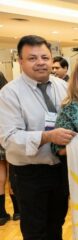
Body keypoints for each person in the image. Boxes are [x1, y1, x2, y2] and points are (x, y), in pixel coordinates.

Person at [0, 35, 75, 239]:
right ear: (20, 62)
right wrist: (47, 136)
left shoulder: (62, 86)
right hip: (29, 173)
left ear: (52, 59)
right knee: (35, 229)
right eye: (32, 58)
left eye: (45, 57)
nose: (40, 62)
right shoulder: (9, 94)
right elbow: (9, 138)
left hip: (61, 169)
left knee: (57, 223)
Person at [0, 72, 20, 226]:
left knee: (0, 177)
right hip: (10, 137)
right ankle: (18, 211)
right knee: (13, 174)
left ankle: (1, 214)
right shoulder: (8, 94)